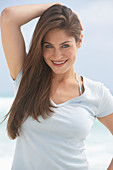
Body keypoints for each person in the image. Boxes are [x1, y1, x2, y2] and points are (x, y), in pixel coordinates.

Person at [0, 3, 113, 170]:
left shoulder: (96, 93)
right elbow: (9, 17)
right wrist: (57, 6)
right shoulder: (26, 79)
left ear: (79, 40)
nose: (57, 55)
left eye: (65, 46)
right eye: (48, 46)